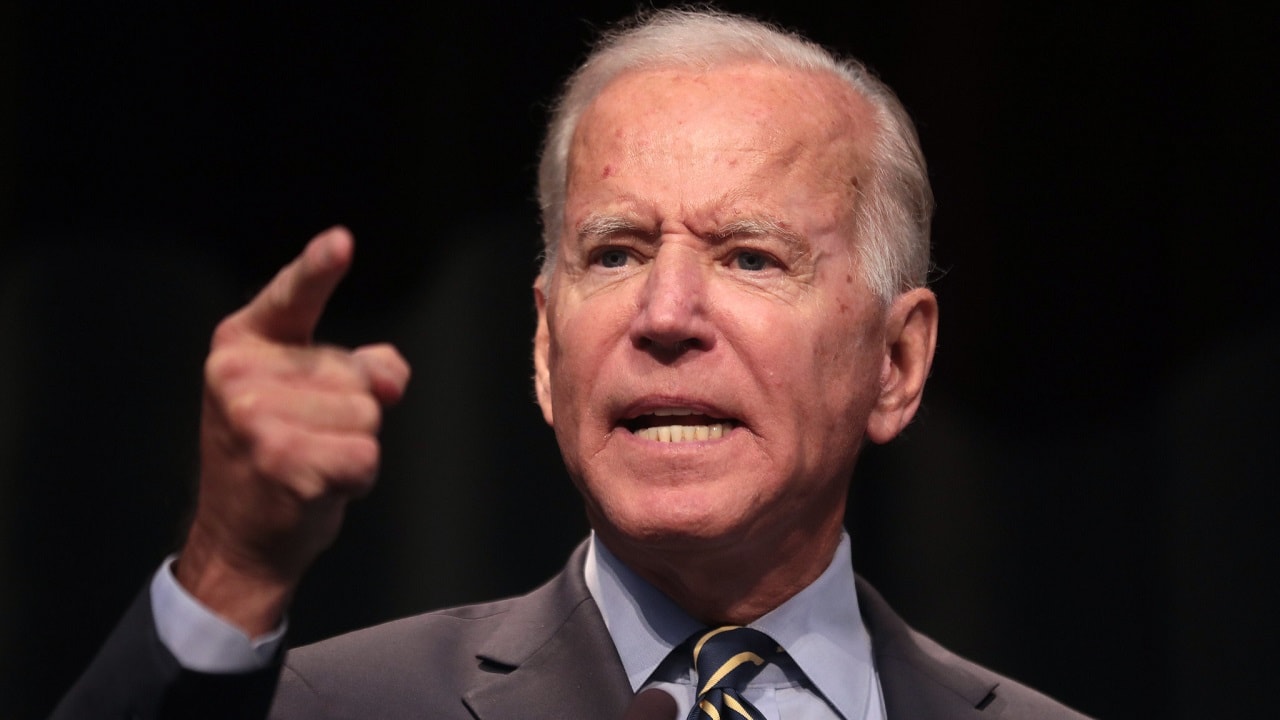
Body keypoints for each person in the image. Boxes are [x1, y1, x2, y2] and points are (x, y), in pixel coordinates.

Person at [54, 8, 1087, 719]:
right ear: (546, 348)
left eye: (747, 256)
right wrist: (231, 569)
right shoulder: (336, 707)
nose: (664, 314)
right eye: (616, 252)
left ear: (896, 362)